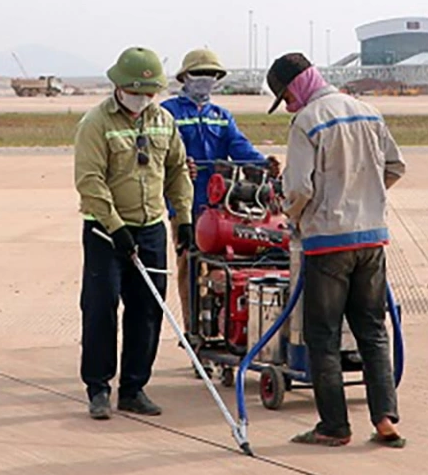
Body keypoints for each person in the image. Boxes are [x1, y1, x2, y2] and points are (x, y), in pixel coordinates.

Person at [265, 52, 408, 448]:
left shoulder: (307, 121)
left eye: (286, 98)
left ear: (294, 89)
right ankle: (385, 420)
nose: (289, 107)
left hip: (328, 242)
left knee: (322, 334)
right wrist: (367, 198)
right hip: (372, 239)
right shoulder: (368, 111)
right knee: (373, 330)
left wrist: (294, 218)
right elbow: (395, 167)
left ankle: (333, 426)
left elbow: (298, 189)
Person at [73, 47, 193, 420]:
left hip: (151, 228)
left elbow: (177, 171)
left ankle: (134, 388)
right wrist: (115, 227)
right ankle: (98, 387)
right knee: (100, 308)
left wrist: (183, 219)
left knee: (146, 311)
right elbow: (90, 181)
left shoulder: (163, 121)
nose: (142, 99)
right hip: (107, 234)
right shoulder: (96, 123)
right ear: (119, 86)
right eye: (136, 91)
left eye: (149, 92)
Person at [159, 48, 276, 326]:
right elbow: (159, 155)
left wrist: (264, 164)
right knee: (189, 266)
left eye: (210, 75)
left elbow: (240, 148)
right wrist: (178, 166)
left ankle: (220, 324)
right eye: (198, 74)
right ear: (184, 77)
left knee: (223, 265)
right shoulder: (167, 113)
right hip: (184, 207)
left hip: (220, 207)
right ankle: (192, 330)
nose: (204, 80)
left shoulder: (221, 116)